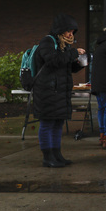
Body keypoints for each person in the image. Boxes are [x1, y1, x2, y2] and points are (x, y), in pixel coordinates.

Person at [32, 13, 86, 168]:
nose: (71, 34)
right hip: (47, 91)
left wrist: (79, 63)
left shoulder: (64, 46)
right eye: (68, 31)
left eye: (72, 32)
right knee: (47, 123)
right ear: (59, 30)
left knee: (57, 124)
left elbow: (64, 66)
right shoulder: (47, 42)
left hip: (59, 92)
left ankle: (57, 155)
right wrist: (74, 53)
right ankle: (47, 157)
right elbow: (53, 61)